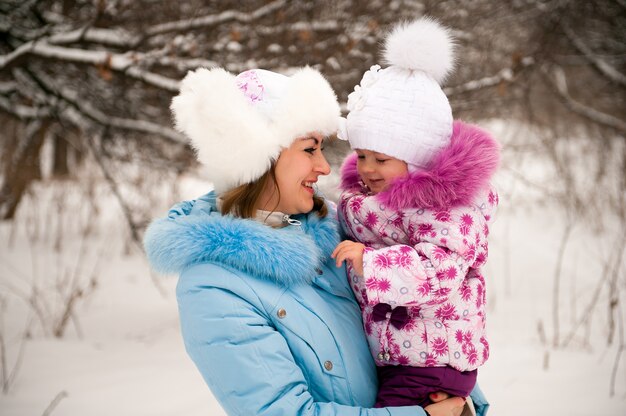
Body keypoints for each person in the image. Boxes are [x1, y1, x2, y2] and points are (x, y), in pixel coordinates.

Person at [143, 63, 490, 415]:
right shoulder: (214, 288)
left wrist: (460, 397)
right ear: (258, 157)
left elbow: (419, 310)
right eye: (310, 150)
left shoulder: (333, 224)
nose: (326, 167)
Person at [331, 18, 500, 409]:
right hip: (406, 354)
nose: (368, 168)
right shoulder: (374, 204)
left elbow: (438, 272)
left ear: (418, 160)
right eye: (361, 155)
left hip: (431, 362)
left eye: (382, 158)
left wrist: (371, 263)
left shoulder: (445, 208)